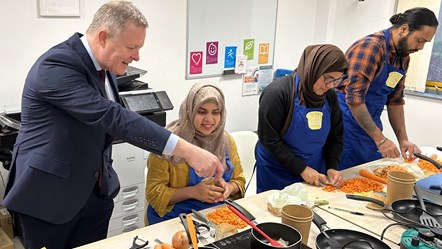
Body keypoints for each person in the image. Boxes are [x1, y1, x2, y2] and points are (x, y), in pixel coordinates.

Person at [1, 2, 224, 248]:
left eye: (139, 48)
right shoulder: (55, 65)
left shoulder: (106, 68)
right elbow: (112, 117)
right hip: (50, 198)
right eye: (131, 47)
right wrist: (187, 149)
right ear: (104, 37)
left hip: (95, 194)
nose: (137, 56)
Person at [335, 7, 438, 170]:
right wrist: (381, 140)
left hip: (371, 123)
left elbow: (395, 101)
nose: (421, 47)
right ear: (404, 29)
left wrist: (403, 139)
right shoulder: (371, 47)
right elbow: (354, 100)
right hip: (346, 124)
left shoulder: (403, 57)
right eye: (420, 40)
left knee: (369, 173)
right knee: (346, 176)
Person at [146, 82, 246, 225]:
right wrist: (193, 192)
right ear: (190, 110)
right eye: (202, 111)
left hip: (215, 215)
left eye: (215, 112)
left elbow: (239, 181)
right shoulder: (168, 143)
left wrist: (228, 188)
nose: (209, 120)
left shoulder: (225, 140)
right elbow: (154, 193)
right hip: (173, 219)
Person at [256, 44, 348, 193]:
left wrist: (332, 166)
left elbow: (336, 135)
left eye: (336, 81)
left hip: (314, 170)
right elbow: (269, 139)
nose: (330, 85)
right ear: (314, 68)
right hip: (277, 171)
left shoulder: (329, 96)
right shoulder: (277, 93)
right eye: (328, 78)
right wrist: (301, 169)